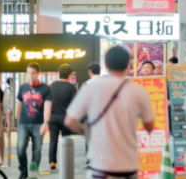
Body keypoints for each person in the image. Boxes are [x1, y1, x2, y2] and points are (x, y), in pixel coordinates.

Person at [65, 46, 155, 179]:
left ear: (106, 65)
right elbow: (149, 125)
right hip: (128, 165)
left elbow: (70, 120)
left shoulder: (91, 88)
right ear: (128, 65)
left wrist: (88, 132)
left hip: (100, 166)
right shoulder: (138, 91)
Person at [17, 62, 51, 179]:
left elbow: (48, 106)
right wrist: (18, 123)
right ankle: (23, 170)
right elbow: (19, 105)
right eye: (28, 73)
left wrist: (45, 123)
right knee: (20, 148)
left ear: (38, 73)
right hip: (24, 123)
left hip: (38, 123)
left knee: (37, 150)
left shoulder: (45, 89)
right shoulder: (22, 87)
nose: (30, 76)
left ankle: (33, 173)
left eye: (33, 73)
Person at [48, 65, 78, 171]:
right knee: (66, 139)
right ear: (69, 75)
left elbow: (48, 101)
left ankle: (52, 161)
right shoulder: (71, 88)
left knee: (53, 140)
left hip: (53, 116)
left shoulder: (52, 86)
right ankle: (65, 160)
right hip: (65, 117)